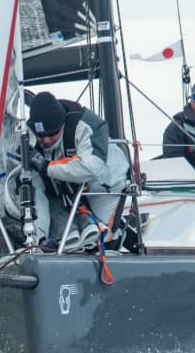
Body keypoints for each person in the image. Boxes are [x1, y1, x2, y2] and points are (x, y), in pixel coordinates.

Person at [13, 91, 130, 250]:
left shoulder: (88, 125)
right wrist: (39, 238)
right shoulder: (29, 138)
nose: (46, 140)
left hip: (107, 186)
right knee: (71, 242)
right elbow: (36, 191)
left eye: (52, 134)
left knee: (105, 241)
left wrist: (45, 166)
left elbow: (90, 167)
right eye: (41, 135)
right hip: (72, 191)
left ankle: (122, 234)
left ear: (62, 124)